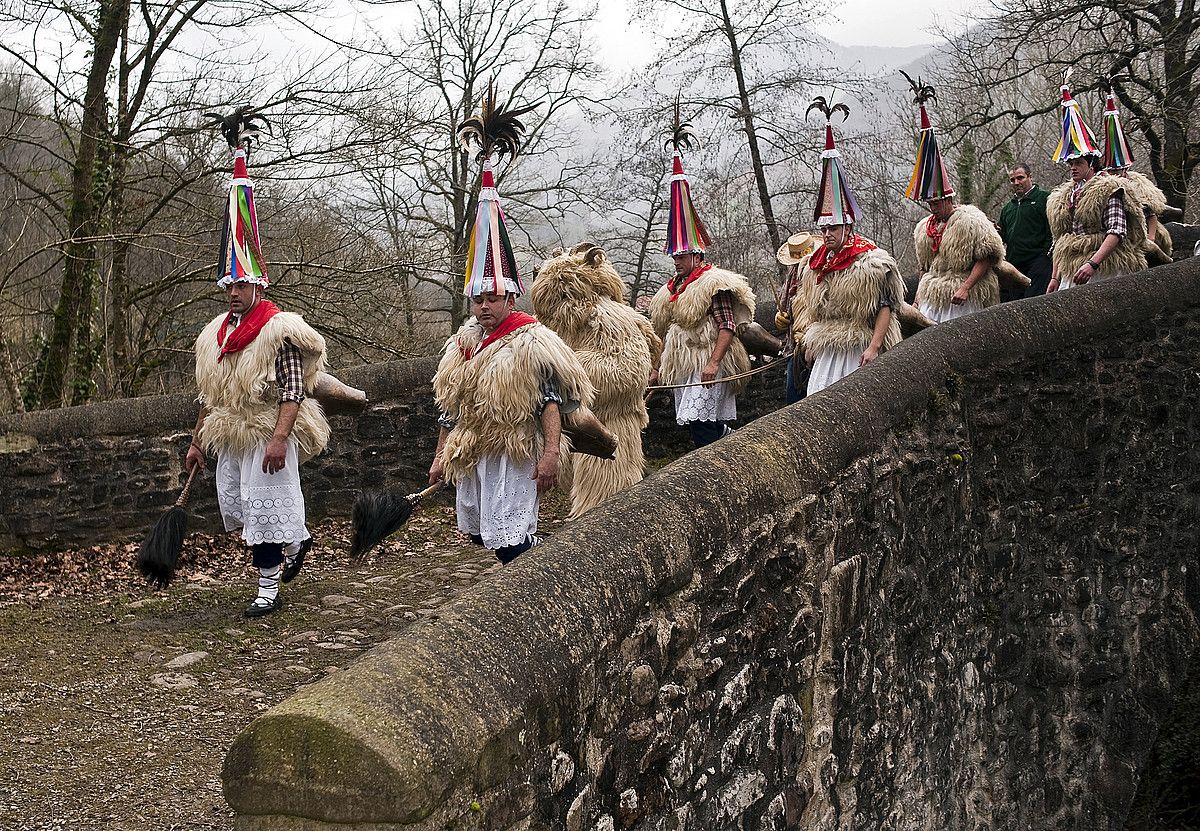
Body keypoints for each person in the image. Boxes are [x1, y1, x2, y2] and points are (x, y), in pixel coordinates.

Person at [430, 87, 592, 563]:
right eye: (478, 297)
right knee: (484, 534)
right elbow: (450, 405)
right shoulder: (462, 343)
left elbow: (549, 402)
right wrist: (442, 454)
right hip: (477, 451)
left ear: (510, 293)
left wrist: (549, 455)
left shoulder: (530, 342)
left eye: (493, 296)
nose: (484, 306)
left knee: (511, 544)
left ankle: (535, 586)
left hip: (515, 453)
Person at [186, 144, 327, 618]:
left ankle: (268, 588)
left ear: (258, 284)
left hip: (267, 431)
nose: (233, 293)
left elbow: (293, 389)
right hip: (230, 433)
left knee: (267, 510)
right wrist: (198, 441)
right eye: (228, 285)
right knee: (243, 508)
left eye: (241, 285)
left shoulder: (277, 330)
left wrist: (279, 438)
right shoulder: (214, 334)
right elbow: (208, 392)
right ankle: (297, 543)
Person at [531, 243, 661, 518]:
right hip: (586, 424)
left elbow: (629, 369)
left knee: (605, 497)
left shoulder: (611, 319)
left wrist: (570, 373)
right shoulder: (570, 322)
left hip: (612, 421)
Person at [648, 115, 755, 449]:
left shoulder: (713, 283)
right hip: (683, 363)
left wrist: (713, 362)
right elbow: (664, 331)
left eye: (681, 255)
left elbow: (727, 325)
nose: (676, 260)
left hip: (707, 360)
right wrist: (657, 366)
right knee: (696, 428)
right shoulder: (673, 288)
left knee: (704, 423)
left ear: (696, 254)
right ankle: (729, 453)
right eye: (674, 256)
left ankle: (734, 449)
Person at [902, 77, 1004, 322]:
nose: (933, 207)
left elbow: (988, 257)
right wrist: (919, 296)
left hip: (965, 292)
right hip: (934, 294)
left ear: (948, 197)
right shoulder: (924, 229)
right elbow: (925, 268)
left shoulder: (971, 220)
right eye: (929, 203)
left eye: (936, 202)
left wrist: (966, 286)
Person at [1045, 82, 1147, 292]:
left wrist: (1093, 264)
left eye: (1079, 163)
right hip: (1072, 267)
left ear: (1091, 163)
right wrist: (1055, 277)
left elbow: (1117, 230)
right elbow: (1060, 240)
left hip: (1105, 266)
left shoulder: (1110, 189)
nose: (1073, 168)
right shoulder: (1063, 196)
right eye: (1071, 164)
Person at [1097, 82, 1173, 265]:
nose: (1114, 173)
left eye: (1117, 170)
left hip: (1139, 236)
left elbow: (1150, 214)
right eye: (1110, 170)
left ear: (1125, 169)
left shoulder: (1135, 186)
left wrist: (1150, 241)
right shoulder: (1101, 186)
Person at [998, 163, 1054, 298]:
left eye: (1020, 178)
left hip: (1039, 263)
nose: (1016, 183)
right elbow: (1002, 237)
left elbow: (1053, 231)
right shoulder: (1008, 208)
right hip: (1014, 266)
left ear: (1030, 177)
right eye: (1012, 180)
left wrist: (1045, 256)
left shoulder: (1045, 199)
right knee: (1013, 306)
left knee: (1034, 304)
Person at [774, 232, 817, 404]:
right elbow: (785, 306)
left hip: (815, 342)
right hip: (795, 346)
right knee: (793, 396)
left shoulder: (817, 273)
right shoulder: (792, 275)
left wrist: (812, 342)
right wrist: (781, 317)